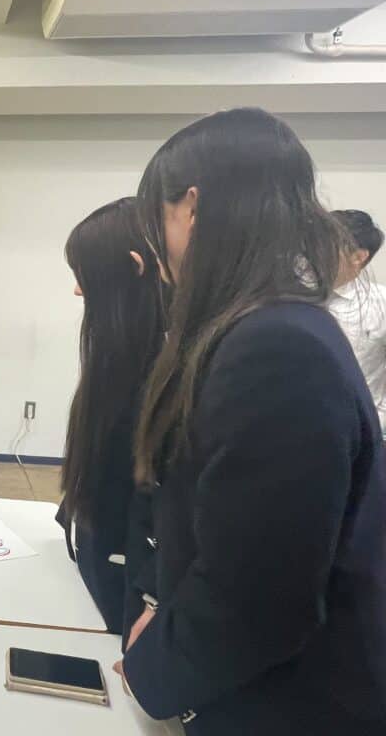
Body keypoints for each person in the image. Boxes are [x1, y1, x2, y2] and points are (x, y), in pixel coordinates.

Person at [117, 108, 386, 734]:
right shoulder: (263, 327)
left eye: (156, 218)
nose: (154, 247)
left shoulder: (277, 348)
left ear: (191, 208)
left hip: (289, 705)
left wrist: (149, 667)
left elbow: (258, 602)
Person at [55, 197, 164, 637]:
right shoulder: (125, 356)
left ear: (135, 266)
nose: (78, 291)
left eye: (86, 275)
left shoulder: (170, 372)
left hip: (129, 597)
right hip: (100, 567)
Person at [327, 209, 386, 431]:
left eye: (327, 245)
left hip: (364, 429)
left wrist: (377, 424)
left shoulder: (381, 304)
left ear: (359, 257)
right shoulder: (289, 297)